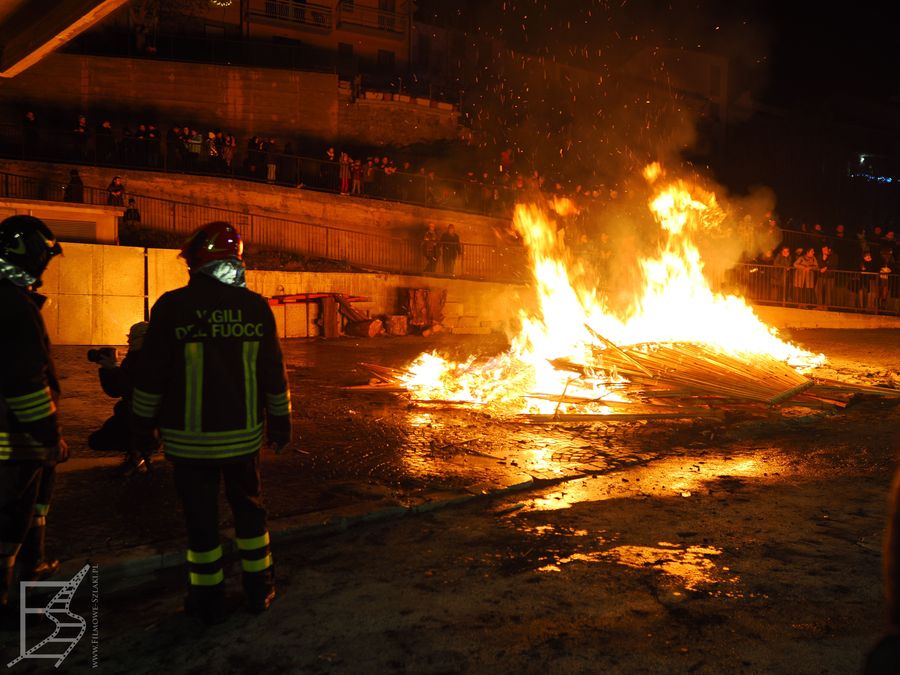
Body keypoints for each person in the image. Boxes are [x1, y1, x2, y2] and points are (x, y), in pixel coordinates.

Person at [132, 221, 292, 624]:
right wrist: (280, 422)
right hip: (242, 441)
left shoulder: (171, 307)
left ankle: (207, 601)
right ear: (237, 261)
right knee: (251, 514)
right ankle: (260, 590)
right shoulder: (256, 308)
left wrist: (141, 426)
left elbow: (151, 377)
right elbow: (274, 373)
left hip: (189, 444)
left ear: (198, 262)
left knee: (200, 524)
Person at [0, 215, 66, 626]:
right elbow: (26, 383)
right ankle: (8, 606)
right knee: (10, 520)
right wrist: (51, 435)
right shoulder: (14, 306)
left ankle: (34, 567)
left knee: (31, 508)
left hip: (15, 434)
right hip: (15, 437)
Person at [88, 322, 155, 472]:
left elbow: (130, 388)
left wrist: (113, 370)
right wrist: (110, 369)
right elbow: (116, 390)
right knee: (99, 440)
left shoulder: (155, 360)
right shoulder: (133, 358)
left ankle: (139, 452)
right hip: (139, 413)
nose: (128, 341)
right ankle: (139, 450)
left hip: (151, 415)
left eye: (133, 338)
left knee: (128, 412)